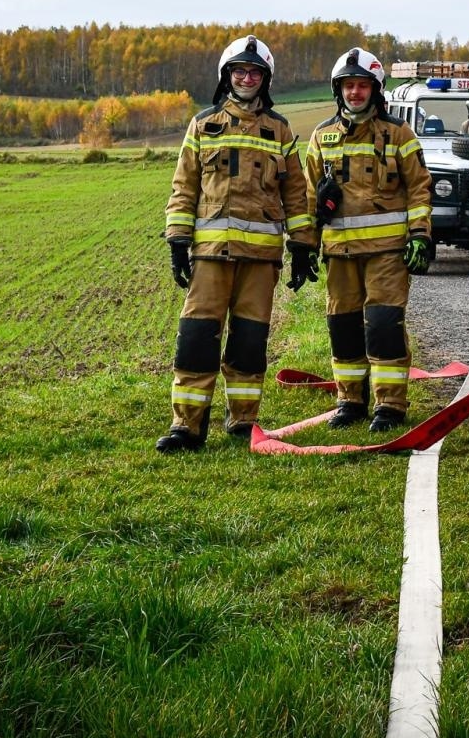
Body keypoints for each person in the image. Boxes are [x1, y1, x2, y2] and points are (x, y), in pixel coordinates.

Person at [158, 35, 317, 453]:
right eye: (239, 71)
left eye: (254, 73)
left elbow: (296, 194)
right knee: (197, 337)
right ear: (226, 76)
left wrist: (302, 245)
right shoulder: (203, 125)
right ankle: (186, 426)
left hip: (260, 260)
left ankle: (243, 420)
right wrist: (177, 240)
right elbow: (183, 186)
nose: (246, 79)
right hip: (210, 256)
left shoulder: (280, 130)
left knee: (249, 341)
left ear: (265, 79)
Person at [303, 48, 433, 433]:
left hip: (387, 254)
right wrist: (305, 245)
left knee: (383, 325)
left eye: (362, 85)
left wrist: (420, 235)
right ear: (338, 90)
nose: (355, 92)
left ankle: (390, 406)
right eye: (348, 86)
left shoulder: (399, 134)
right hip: (340, 252)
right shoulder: (322, 137)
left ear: (375, 90)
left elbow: (420, 189)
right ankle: (350, 401)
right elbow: (307, 197)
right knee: (343, 327)